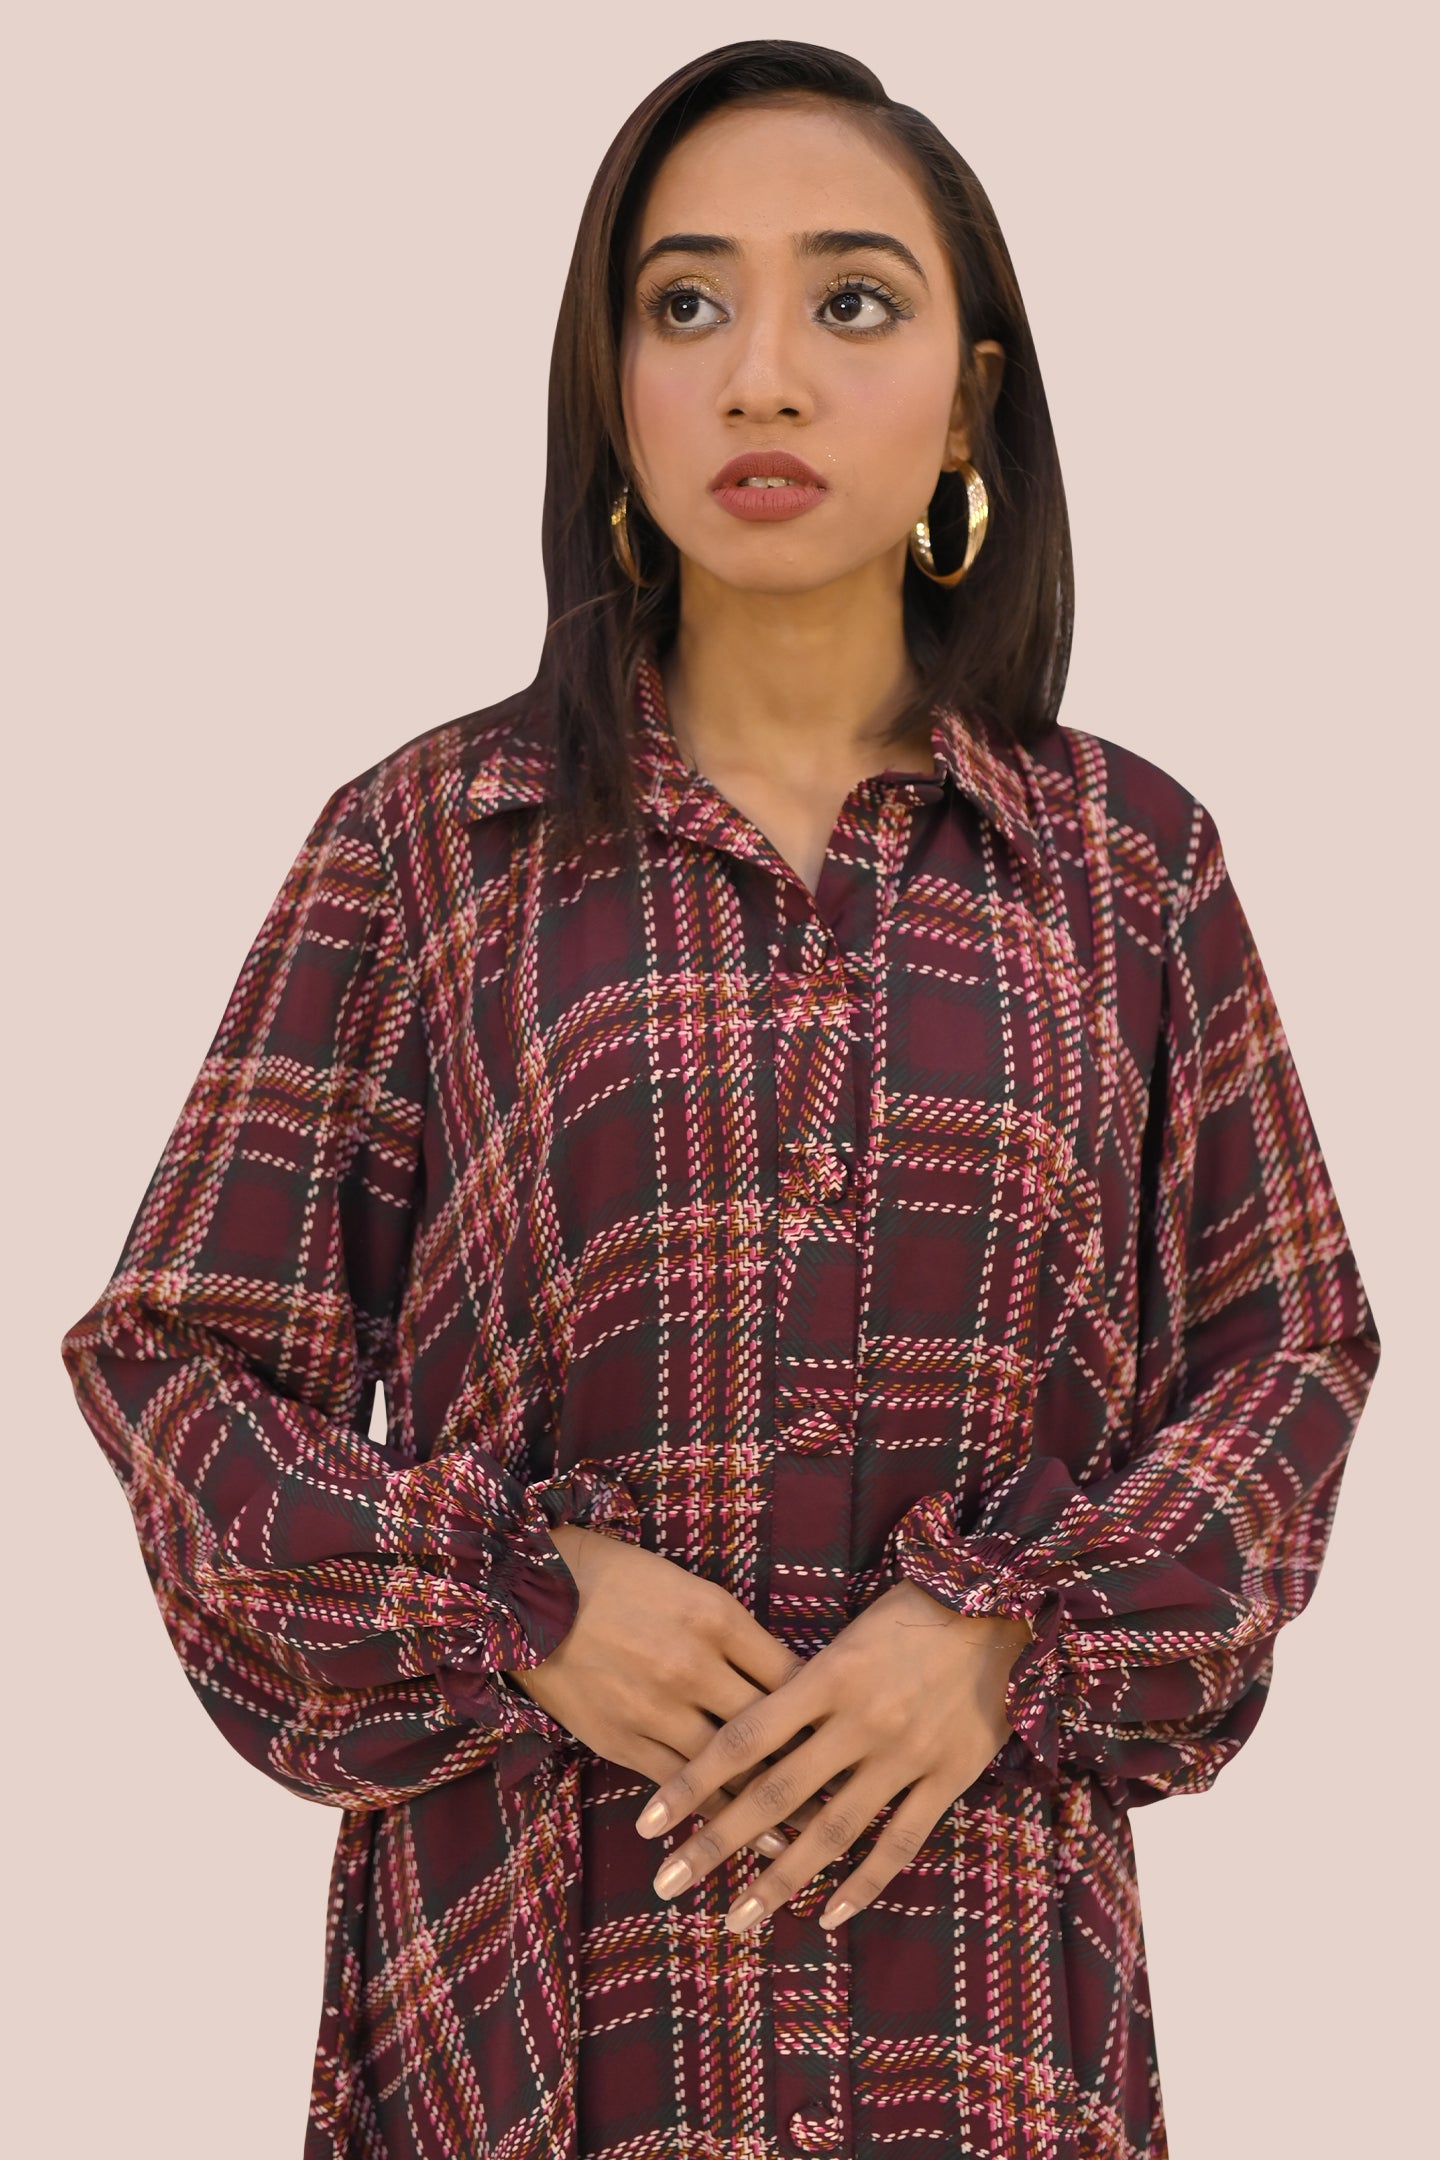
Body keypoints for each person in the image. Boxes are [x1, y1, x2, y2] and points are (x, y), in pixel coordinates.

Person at [61, 37, 1379, 2160]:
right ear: (613, 388)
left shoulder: (1133, 869)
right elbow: (179, 1372)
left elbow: (1287, 1361)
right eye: (687, 304)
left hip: (987, 2017)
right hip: (537, 2012)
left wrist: (1007, 1637)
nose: (764, 377)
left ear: (971, 393)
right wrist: (520, 1606)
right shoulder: (428, 849)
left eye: (852, 300)